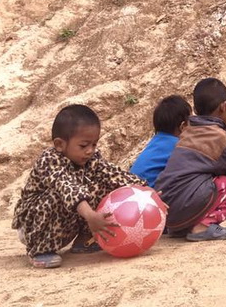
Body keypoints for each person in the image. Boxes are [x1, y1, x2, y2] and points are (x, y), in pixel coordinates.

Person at [12, 104, 145, 269]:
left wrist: (146, 191)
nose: (90, 151)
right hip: (35, 225)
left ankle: (84, 240)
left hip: (66, 224)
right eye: (83, 146)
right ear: (60, 144)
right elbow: (66, 187)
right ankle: (39, 250)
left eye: (94, 145)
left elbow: (113, 174)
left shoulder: (91, 159)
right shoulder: (49, 160)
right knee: (59, 195)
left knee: (101, 183)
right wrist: (90, 215)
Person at [155, 78, 226, 241]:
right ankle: (203, 227)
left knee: (200, 180)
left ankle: (185, 228)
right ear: (223, 106)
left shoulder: (187, 132)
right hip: (184, 206)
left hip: (166, 212)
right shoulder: (218, 136)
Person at [130, 95, 192, 187]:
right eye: (191, 121)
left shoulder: (154, 143)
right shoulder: (179, 147)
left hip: (131, 192)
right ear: (183, 126)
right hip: (149, 197)